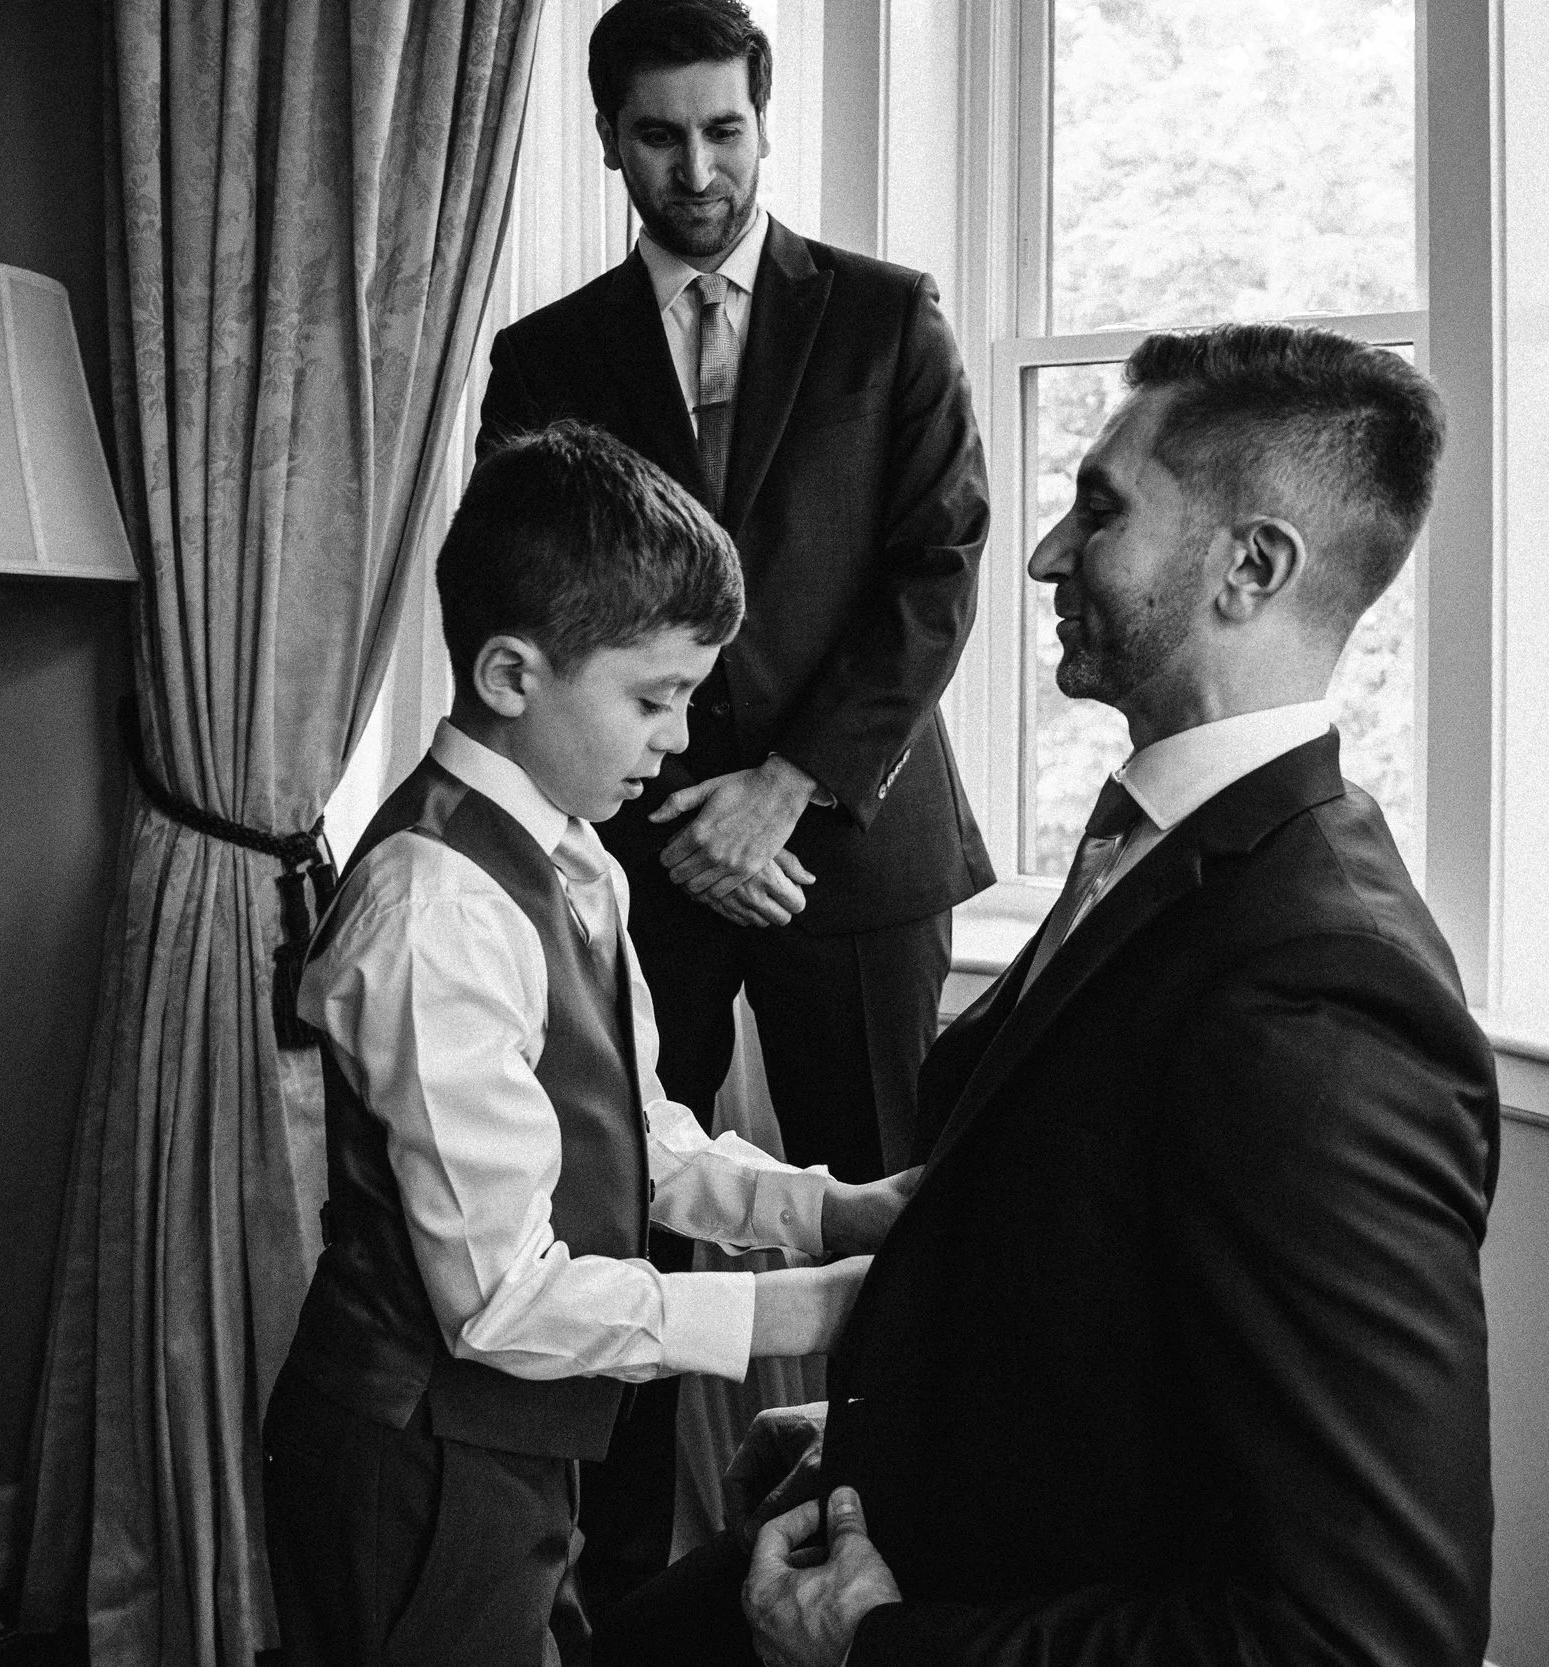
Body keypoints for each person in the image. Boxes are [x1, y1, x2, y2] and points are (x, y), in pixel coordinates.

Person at [606, 324, 1503, 1667]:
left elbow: (1361, 1633)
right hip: (909, 1512)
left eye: (1102, 507)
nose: (1042, 555)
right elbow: (1083, 1278)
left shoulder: (1320, 997)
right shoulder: (1167, 844)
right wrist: (877, 1431)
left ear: (1250, 566)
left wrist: (878, 1639)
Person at [478, 0, 992, 1592]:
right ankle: (623, 1587)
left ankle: (891, 1573)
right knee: (616, 1204)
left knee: (889, 1229)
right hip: (642, 854)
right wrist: (688, 817)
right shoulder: (544, 356)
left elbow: (939, 566)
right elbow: (547, 606)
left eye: (722, 128)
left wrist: (785, 784)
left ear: (765, 123)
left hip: (858, 840)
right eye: (657, 134)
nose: (694, 166)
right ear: (609, 137)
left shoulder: (888, 317)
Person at [260, 423, 915, 1667]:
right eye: (653, 697)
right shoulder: (434, 907)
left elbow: (637, 1128)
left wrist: (836, 1211)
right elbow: (504, 1296)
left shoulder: (576, 854)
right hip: (414, 1449)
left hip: (521, 1431)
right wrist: (812, 1309)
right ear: (510, 675)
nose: (678, 738)